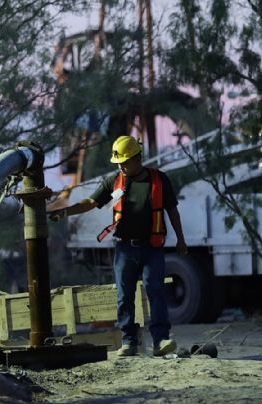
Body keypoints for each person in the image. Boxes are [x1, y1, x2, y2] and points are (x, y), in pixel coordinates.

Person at [48, 135, 188, 357]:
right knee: (124, 296)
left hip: (152, 248)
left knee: (156, 291)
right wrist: (65, 211)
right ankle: (128, 341)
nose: (121, 166)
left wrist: (181, 239)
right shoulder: (114, 181)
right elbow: (91, 203)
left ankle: (161, 341)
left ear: (138, 158)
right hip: (124, 249)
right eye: (119, 162)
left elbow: (172, 210)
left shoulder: (159, 180)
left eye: (125, 161)